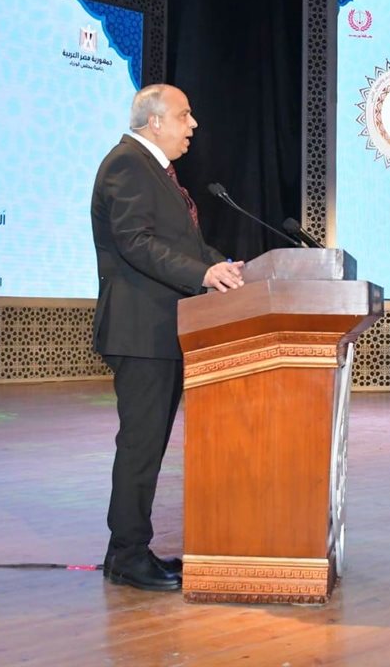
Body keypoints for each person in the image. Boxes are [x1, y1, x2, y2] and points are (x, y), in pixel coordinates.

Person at [91, 83, 244, 591]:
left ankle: (127, 551)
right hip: (140, 332)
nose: (193, 125)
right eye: (184, 115)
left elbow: (186, 246)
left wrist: (225, 266)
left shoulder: (157, 172)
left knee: (149, 446)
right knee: (140, 447)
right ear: (154, 121)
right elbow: (136, 244)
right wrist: (204, 274)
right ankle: (128, 555)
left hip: (163, 332)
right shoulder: (127, 164)